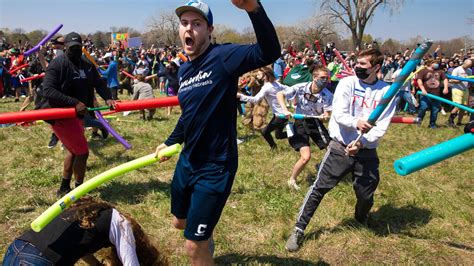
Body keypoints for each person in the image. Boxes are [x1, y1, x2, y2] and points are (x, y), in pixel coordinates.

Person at [154, 0, 280, 264]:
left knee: (193, 246)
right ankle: (203, 233)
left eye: (197, 24)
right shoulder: (185, 70)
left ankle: (201, 242)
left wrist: (253, 9)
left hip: (216, 166)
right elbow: (189, 114)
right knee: (179, 221)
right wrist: (170, 142)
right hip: (188, 161)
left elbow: (269, 51)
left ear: (209, 30)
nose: (189, 29)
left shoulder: (223, 57)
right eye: (185, 23)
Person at [285, 48, 398, 252]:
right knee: (319, 188)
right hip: (339, 147)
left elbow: (382, 124)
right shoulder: (347, 83)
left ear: (377, 67)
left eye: (363, 64)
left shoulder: (386, 92)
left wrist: (362, 143)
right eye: (357, 62)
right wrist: (357, 123)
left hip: (366, 151)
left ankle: (361, 217)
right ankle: (299, 229)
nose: (357, 66)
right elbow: (339, 114)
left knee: (366, 193)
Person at [37, 32, 114, 196]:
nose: (76, 51)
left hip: (76, 115)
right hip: (61, 115)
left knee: (73, 150)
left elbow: (99, 83)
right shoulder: (58, 64)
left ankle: (64, 188)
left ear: (82, 47)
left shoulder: (86, 64)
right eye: (72, 48)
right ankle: (79, 190)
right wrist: (74, 103)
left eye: (78, 47)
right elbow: (48, 90)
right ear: (66, 48)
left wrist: (108, 98)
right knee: (82, 152)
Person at [2, 197, 167, 265]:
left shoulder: (87, 213)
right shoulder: (123, 225)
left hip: (16, 248)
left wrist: (95, 264)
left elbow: (79, 245)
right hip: (39, 260)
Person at [277, 65, 333, 190]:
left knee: (331, 150)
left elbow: (327, 114)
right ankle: (292, 179)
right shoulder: (300, 87)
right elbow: (280, 94)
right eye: (322, 77)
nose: (325, 80)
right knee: (306, 157)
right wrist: (285, 110)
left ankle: (321, 167)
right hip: (300, 122)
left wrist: (325, 116)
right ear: (314, 77)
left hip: (315, 122)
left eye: (327, 78)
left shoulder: (328, 95)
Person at [237, 66, 288, 149]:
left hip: (281, 115)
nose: (257, 75)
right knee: (278, 135)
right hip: (280, 114)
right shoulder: (276, 83)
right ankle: (296, 133)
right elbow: (288, 89)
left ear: (265, 75)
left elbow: (255, 99)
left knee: (265, 132)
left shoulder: (267, 87)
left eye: (259, 74)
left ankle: (274, 147)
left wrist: (241, 96)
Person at [416, 59, 449, 128]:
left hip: (436, 95)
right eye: (435, 63)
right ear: (430, 63)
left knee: (435, 110)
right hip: (425, 94)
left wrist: (446, 88)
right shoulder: (423, 71)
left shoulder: (440, 71)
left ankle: (432, 124)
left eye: (437, 63)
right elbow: (419, 81)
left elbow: (445, 79)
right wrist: (423, 89)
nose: (437, 64)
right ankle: (418, 121)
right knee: (423, 108)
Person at [447, 59, 472, 127]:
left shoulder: (469, 70)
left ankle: (459, 122)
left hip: (465, 89)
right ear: (464, 63)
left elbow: (469, 79)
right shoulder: (457, 70)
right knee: (458, 105)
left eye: (469, 66)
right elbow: (451, 80)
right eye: (467, 65)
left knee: (463, 107)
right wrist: (458, 81)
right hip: (457, 89)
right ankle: (450, 121)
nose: (467, 67)